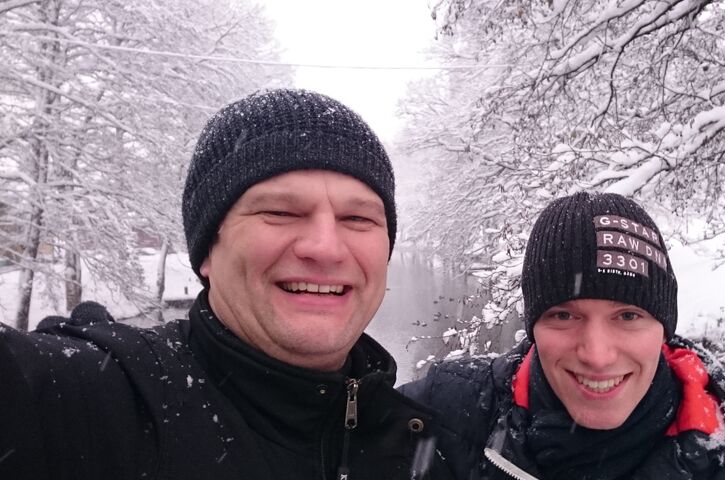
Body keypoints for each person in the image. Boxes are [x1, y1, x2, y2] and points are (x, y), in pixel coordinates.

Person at [0, 89, 452, 480]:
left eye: (358, 218)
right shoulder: (91, 403)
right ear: (208, 251)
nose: (326, 248)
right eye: (280, 212)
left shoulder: (419, 442)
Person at [401, 192, 725, 479]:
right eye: (563, 315)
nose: (597, 354)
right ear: (534, 326)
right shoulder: (445, 413)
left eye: (627, 315)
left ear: (664, 329)